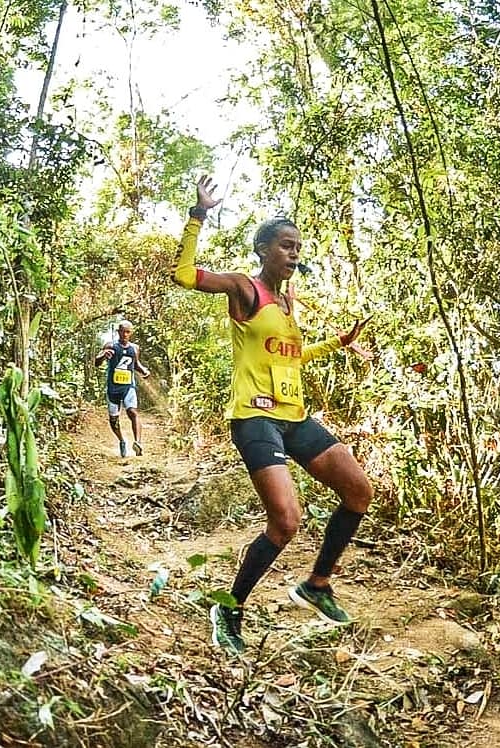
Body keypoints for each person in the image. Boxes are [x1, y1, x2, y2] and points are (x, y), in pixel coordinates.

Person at [172, 175, 373, 655]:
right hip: (254, 419)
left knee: (358, 490)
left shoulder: (286, 304)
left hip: (294, 416)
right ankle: (229, 608)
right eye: (286, 245)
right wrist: (198, 215)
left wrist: (338, 344)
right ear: (263, 249)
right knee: (285, 520)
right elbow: (185, 276)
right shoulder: (244, 289)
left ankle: (317, 584)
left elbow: (292, 357)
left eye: (299, 247)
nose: (294, 253)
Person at [94, 320, 151, 457]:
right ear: (118, 332)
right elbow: (97, 362)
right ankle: (121, 441)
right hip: (113, 388)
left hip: (128, 386)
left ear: (131, 333)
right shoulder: (110, 345)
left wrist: (144, 371)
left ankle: (138, 443)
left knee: (132, 412)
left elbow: (135, 364)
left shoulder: (135, 348)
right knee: (114, 420)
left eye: (127, 332)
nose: (124, 334)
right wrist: (103, 355)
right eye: (122, 331)